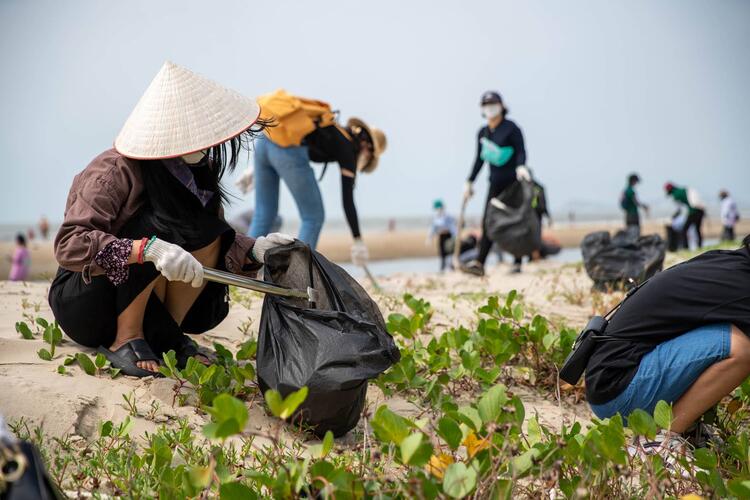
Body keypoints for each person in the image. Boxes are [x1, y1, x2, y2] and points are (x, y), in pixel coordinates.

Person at [48, 62, 294, 377]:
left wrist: (256, 249)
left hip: (153, 305)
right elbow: (69, 244)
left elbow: (212, 235)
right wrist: (146, 250)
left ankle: (166, 336)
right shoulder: (113, 170)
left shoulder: (195, 175)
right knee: (158, 225)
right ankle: (127, 336)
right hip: (90, 302)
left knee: (207, 227)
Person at [585, 236, 750, 456]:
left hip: (613, 376)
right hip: (617, 389)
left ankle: (687, 426)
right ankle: (660, 440)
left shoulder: (727, 263)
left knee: (729, 337)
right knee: (742, 348)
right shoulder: (742, 286)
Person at [249, 92, 386, 268]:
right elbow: (347, 201)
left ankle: (241, 265)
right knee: (313, 217)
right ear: (367, 147)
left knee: (264, 212)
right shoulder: (348, 148)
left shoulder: (332, 127)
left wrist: (258, 168)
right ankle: (297, 272)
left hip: (265, 140)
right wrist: (358, 240)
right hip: (286, 150)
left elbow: (294, 134)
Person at [461, 90, 529, 276]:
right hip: (494, 183)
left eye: (493, 104)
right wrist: (470, 181)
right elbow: (479, 159)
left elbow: (521, 151)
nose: (490, 109)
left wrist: (521, 166)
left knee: (515, 221)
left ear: (501, 106)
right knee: (488, 222)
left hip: (514, 183)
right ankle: (480, 263)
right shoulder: (483, 133)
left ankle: (517, 261)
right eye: (486, 105)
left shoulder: (512, 128)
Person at [665, 182, 705, 248]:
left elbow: (679, 209)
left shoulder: (676, 195)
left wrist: (673, 217)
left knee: (684, 230)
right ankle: (699, 246)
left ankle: (686, 247)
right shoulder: (683, 189)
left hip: (693, 212)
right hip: (700, 211)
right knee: (698, 229)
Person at [426, 199, 457, 271]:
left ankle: (451, 267)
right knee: (442, 252)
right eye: (437, 208)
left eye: (440, 208)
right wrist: (429, 238)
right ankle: (442, 268)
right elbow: (432, 228)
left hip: (448, 236)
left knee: (449, 251)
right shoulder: (435, 217)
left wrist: (455, 236)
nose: (438, 210)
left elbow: (452, 226)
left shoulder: (448, 216)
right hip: (441, 236)